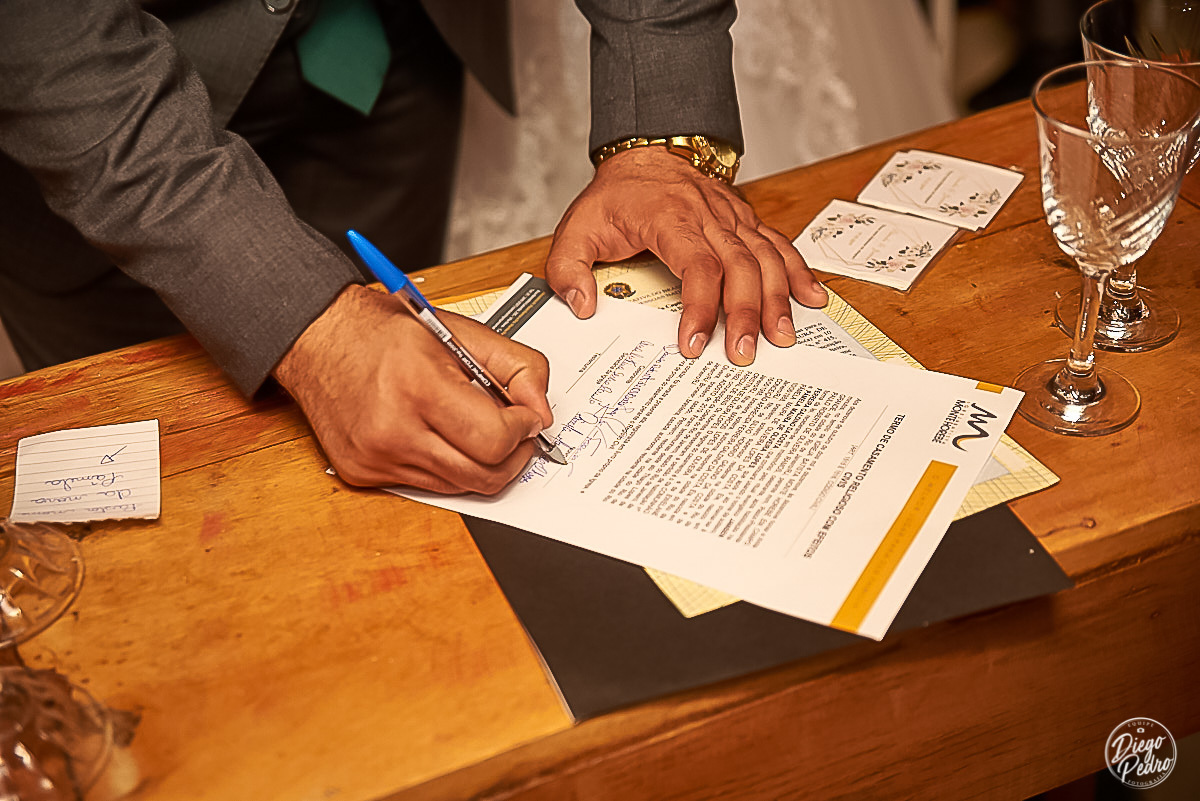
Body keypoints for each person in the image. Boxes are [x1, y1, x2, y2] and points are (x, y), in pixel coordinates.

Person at [0, 0, 826, 494]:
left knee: (416, 450)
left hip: (391, 54)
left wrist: (658, 141)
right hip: (98, 146)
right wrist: (316, 331)